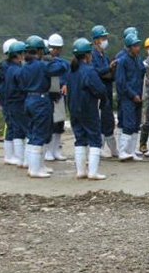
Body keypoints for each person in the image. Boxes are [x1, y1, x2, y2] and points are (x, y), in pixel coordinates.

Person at [20, 35, 69, 178]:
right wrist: (51, 59)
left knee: (33, 134)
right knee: (40, 135)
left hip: (29, 99)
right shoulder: (42, 65)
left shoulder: (24, 67)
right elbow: (62, 68)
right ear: (40, 50)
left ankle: (35, 166)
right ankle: (35, 170)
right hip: (41, 100)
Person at [66, 38, 108, 180]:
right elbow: (100, 90)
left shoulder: (71, 71)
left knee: (80, 139)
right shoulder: (89, 71)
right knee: (95, 139)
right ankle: (93, 172)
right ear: (87, 55)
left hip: (73, 109)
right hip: (88, 109)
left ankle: (81, 171)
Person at [115, 31, 145, 161]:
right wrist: (133, 95)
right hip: (128, 98)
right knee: (128, 123)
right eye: (135, 45)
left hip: (139, 96)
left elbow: (142, 75)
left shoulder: (138, 60)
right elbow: (121, 82)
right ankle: (122, 151)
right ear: (129, 47)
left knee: (136, 124)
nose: (137, 48)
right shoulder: (123, 61)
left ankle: (131, 151)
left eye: (138, 45)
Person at [90, 25, 119, 157]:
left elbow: (108, 74)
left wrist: (112, 69)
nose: (105, 40)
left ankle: (113, 149)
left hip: (107, 90)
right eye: (103, 38)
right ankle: (99, 147)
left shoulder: (104, 55)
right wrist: (108, 68)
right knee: (100, 119)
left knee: (108, 120)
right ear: (96, 40)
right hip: (98, 93)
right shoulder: (93, 55)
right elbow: (95, 72)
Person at [4, 40, 29, 168]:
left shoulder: (9, 69)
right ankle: (26, 160)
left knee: (18, 131)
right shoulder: (18, 70)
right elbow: (23, 87)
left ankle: (20, 160)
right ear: (18, 55)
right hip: (19, 103)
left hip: (11, 103)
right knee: (25, 130)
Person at [45, 34, 69, 161]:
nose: (56, 50)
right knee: (49, 124)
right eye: (54, 48)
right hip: (49, 96)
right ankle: (48, 151)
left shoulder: (63, 63)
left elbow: (67, 77)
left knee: (59, 124)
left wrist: (65, 84)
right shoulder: (45, 62)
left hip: (60, 96)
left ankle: (56, 150)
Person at [0, 39, 19, 165]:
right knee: (11, 126)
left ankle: (13, 154)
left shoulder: (7, 65)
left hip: (9, 100)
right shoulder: (6, 66)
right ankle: (9, 156)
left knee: (14, 126)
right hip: (9, 101)